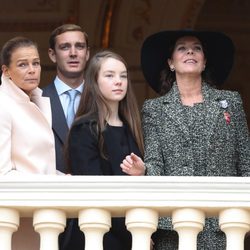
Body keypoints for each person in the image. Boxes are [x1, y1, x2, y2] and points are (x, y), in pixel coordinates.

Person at [139, 30, 250, 249]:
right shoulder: (153, 109)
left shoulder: (230, 102)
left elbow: (246, 161)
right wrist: (142, 171)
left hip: (225, 222)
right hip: (173, 224)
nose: (190, 51)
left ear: (204, 61)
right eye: (182, 48)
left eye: (197, 48)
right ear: (171, 62)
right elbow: (155, 164)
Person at [65, 50, 145, 250]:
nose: (118, 81)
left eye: (123, 76)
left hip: (133, 232)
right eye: (109, 75)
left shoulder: (133, 127)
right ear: (94, 81)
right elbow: (95, 191)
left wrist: (142, 173)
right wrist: (134, 235)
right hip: (97, 234)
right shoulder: (84, 129)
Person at [0, 36, 57, 249]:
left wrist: (60, 178)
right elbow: (2, 172)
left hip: (42, 213)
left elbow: (35, 162)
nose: (32, 70)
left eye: (36, 63)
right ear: (6, 71)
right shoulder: (3, 105)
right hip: (16, 216)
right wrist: (49, 183)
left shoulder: (37, 99)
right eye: (23, 64)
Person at [42, 23, 90, 173]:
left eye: (80, 46)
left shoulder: (102, 99)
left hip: (96, 191)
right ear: (52, 55)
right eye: (65, 47)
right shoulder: (36, 100)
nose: (73, 53)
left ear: (87, 53)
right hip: (51, 192)